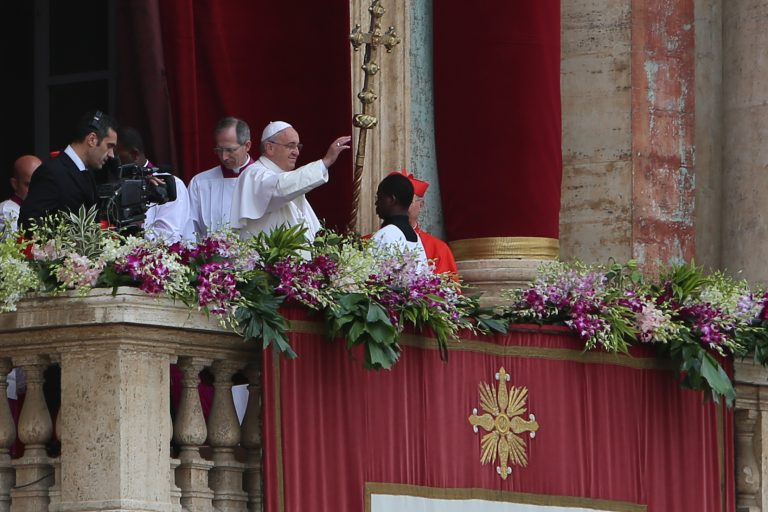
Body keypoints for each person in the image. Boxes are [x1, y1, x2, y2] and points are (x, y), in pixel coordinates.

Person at [230, 121, 351, 242]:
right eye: (291, 146)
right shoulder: (254, 174)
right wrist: (325, 162)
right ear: (270, 147)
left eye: (298, 146)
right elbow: (278, 188)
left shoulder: (284, 177)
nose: (297, 152)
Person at [19, 110, 118, 229]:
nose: (111, 154)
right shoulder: (51, 172)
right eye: (109, 146)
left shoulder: (87, 173)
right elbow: (29, 223)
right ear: (92, 140)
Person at [116, 127, 194, 242]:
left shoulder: (168, 184)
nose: (111, 158)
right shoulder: (118, 187)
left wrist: (124, 236)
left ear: (134, 154)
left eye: (117, 156)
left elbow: (167, 238)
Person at [188, 117, 255, 238]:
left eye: (230, 150)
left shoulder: (265, 179)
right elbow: (190, 230)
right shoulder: (200, 183)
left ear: (247, 145)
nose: (224, 157)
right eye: (219, 150)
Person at [389, 169, 459, 278]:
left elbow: (448, 291)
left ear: (421, 205)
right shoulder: (369, 242)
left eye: (407, 200)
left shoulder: (438, 249)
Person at [372, 173, 428, 266]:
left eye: (380, 198)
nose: (376, 203)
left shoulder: (385, 235)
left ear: (392, 200)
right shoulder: (416, 237)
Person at [0, 155, 42, 232]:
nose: (36, 190)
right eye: (28, 185)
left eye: (40, 183)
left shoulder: (41, 208)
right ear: (14, 184)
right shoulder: (7, 212)